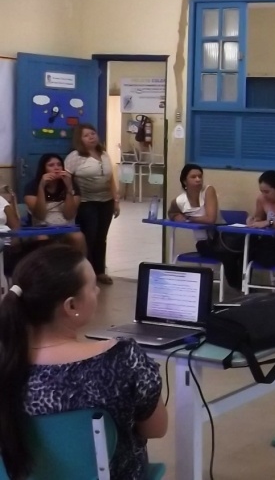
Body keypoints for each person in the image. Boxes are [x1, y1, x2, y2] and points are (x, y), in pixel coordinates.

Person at [0, 244, 167, 479]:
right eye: (92, 286)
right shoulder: (123, 360)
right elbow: (156, 428)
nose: (98, 291)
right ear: (71, 306)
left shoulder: (7, 362)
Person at [168, 164, 243, 290]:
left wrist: (189, 218)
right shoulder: (179, 200)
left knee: (240, 253)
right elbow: (172, 213)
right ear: (185, 181)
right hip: (204, 243)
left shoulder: (208, 191)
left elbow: (210, 219)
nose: (198, 179)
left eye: (200, 176)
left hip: (221, 239)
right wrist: (176, 217)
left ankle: (242, 287)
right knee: (229, 256)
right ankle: (240, 287)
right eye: (193, 177)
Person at [65, 124, 120, 285]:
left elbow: (110, 179)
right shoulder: (74, 157)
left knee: (101, 237)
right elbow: (67, 178)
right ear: (79, 139)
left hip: (106, 201)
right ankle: (86, 273)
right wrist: (71, 196)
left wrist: (116, 201)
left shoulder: (104, 154)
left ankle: (100, 271)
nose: (91, 137)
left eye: (93, 133)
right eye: (86, 135)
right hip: (86, 202)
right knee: (90, 237)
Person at [24, 153, 86, 253]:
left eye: (59, 164)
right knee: (42, 239)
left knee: (78, 237)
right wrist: (41, 187)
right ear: (43, 169)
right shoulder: (32, 186)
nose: (56, 168)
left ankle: (79, 263)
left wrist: (69, 189)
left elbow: (69, 215)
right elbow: (40, 215)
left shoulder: (71, 184)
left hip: (66, 227)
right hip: (42, 228)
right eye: (51, 165)